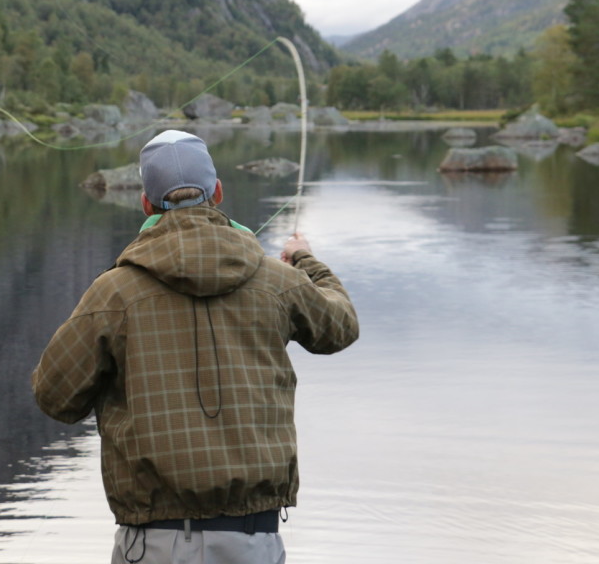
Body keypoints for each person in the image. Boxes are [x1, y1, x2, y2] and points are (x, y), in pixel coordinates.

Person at [32, 130, 359, 564]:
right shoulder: (277, 282)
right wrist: (303, 259)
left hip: (151, 545)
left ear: (147, 205)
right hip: (253, 541)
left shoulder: (113, 293)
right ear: (218, 193)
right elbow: (341, 327)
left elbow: (55, 398)